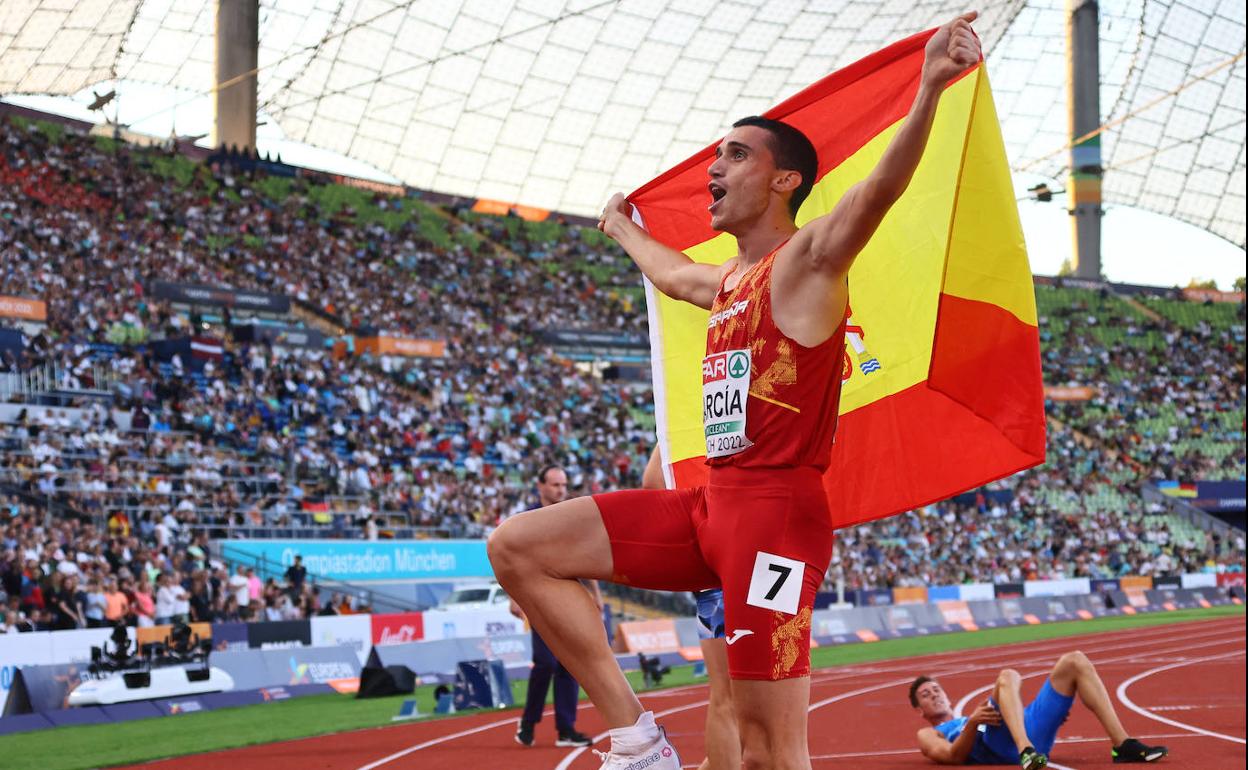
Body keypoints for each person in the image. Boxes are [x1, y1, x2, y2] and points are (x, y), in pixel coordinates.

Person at [488, 13, 983, 769]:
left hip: (775, 524)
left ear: (784, 179)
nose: (713, 170)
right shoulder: (725, 282)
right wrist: (621, 228)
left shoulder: (807, 262)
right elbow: (672, 273)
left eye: (734, 155)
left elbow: (876, 193)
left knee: (767, 750)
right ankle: (636, 740)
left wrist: (928, 89)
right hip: (710, 505)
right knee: (519, 547)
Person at [643, 447, 740, 770]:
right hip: (735, 568)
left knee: (743, 698)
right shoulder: (691, 418)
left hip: (733, 570)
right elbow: (653, 482)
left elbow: (653, 483)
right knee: (733, 697)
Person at [911, 651, 1169, 767]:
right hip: (1000, 746)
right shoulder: (930, 734)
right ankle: (1026, 750)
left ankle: (1122, 744)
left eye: (936, 689)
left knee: (1074, 661)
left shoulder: (969, 715)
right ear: (919, 710)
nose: (933, 694)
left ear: (947, 695)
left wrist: (1050, 715)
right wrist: (972, 724)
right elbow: (953, 758)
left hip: (1028, 728)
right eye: (925, 694)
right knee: (1007, 675)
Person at [513, 466, 597, 749]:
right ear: (541, 487)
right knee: (546, 662)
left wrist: (595, 593)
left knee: (568, 664)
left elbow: (584, 556)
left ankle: (565, 728)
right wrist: (513, 598)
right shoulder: (527, 519)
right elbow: (511, 558)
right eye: (555, 484)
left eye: (563, 484)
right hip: (537, 598)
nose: (561, 489)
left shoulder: (570, 516)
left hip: (568, 596)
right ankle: (528, 721)